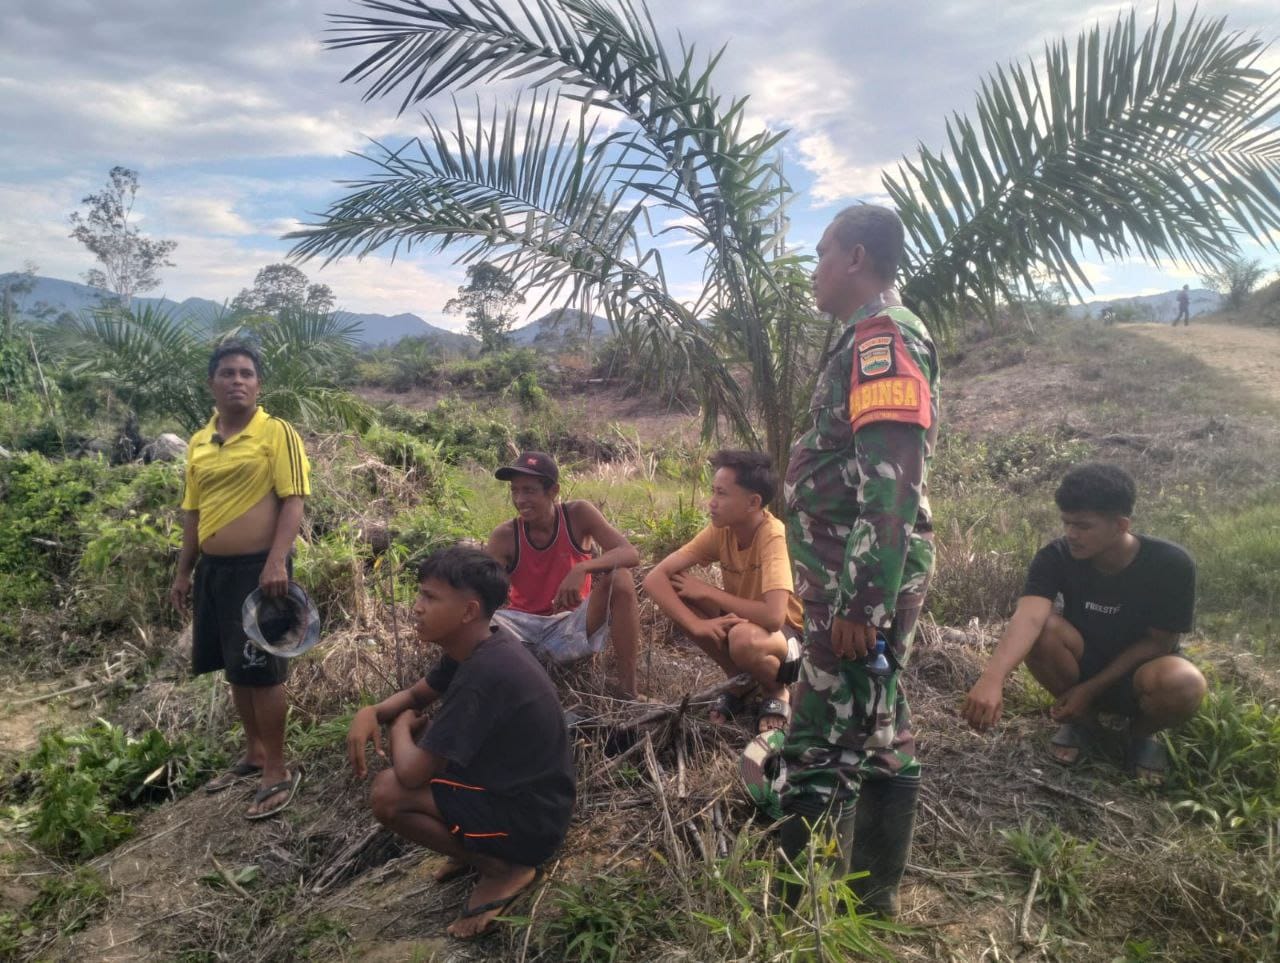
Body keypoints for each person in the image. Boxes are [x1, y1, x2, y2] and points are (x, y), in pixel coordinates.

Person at [775, 203, 940, 918]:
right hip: (848, 578)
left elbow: (891, 483)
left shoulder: (882, 341)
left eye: (820, 254)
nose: (812, 271)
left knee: (813, 738)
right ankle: (874, 901)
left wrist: (860, 608)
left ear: (856, 257)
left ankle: (791, 915)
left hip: (856, 584)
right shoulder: (862, 338)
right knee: (880, 726)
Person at [346, 546, 575, 939]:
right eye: (420, 594)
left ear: (468, 611)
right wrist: (373, 712)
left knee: (388, 793)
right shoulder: (478, 646)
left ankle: (505, 868)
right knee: (417, 778)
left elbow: (413, 774)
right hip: (525, 802)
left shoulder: (484, 674)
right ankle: (480, 851)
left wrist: (399, 727)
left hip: (530, 823)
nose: (417, 607)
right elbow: (420, 694)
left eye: (430, 598)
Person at [962, 463, 1206, 784]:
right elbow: (1030, 616)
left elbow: (1159, 642)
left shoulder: (1170, 564)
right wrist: (993, 677)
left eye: (1083, 526)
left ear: (1121, 525)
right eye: (1066, 523)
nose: (1071, 535)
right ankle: (1084, 724)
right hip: (1081, 662)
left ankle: (1139, 736)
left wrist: (1091, 689)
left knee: (1185, 683)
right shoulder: (1056, 556)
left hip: (1141, 671)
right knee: (1043, 631)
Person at [170, 341, 309, 819]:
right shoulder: (198, 442)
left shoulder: (277, 433)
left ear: (258, 384)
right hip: (214, 573)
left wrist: (276, 562)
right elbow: (192, 511)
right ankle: (253, 754)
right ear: (212, 383)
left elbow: (293, 500)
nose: (238, 381)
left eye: (247, 373)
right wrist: (184, 571)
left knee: (264, 671)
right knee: (235, 666)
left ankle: (278, 768)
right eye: (228, 373)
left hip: (259, 573)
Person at [643, 450, 804, 732]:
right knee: (680, 591)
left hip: (787, 639)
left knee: (742, 637)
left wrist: (709, 593)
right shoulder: (722, 530)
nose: (712, 503)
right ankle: (740, 682)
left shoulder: (772, 534)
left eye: (721, 494)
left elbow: (774, 616)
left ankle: (775, 690)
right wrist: (697, 624)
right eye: (712, 492)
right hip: (744, 622)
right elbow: (655, 578)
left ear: (753, 502)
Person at [485, 451, 643, 698]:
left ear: (553, 491)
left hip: (570, 627)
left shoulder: (578, 515)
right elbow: (482, 590)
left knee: (621, 579)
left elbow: (629, 553)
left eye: (529, 490)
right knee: (482, 620)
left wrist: (582, 568)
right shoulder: (505, 535)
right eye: (515, 491)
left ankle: (628, 691)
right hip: (522, 632)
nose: (520, 499)